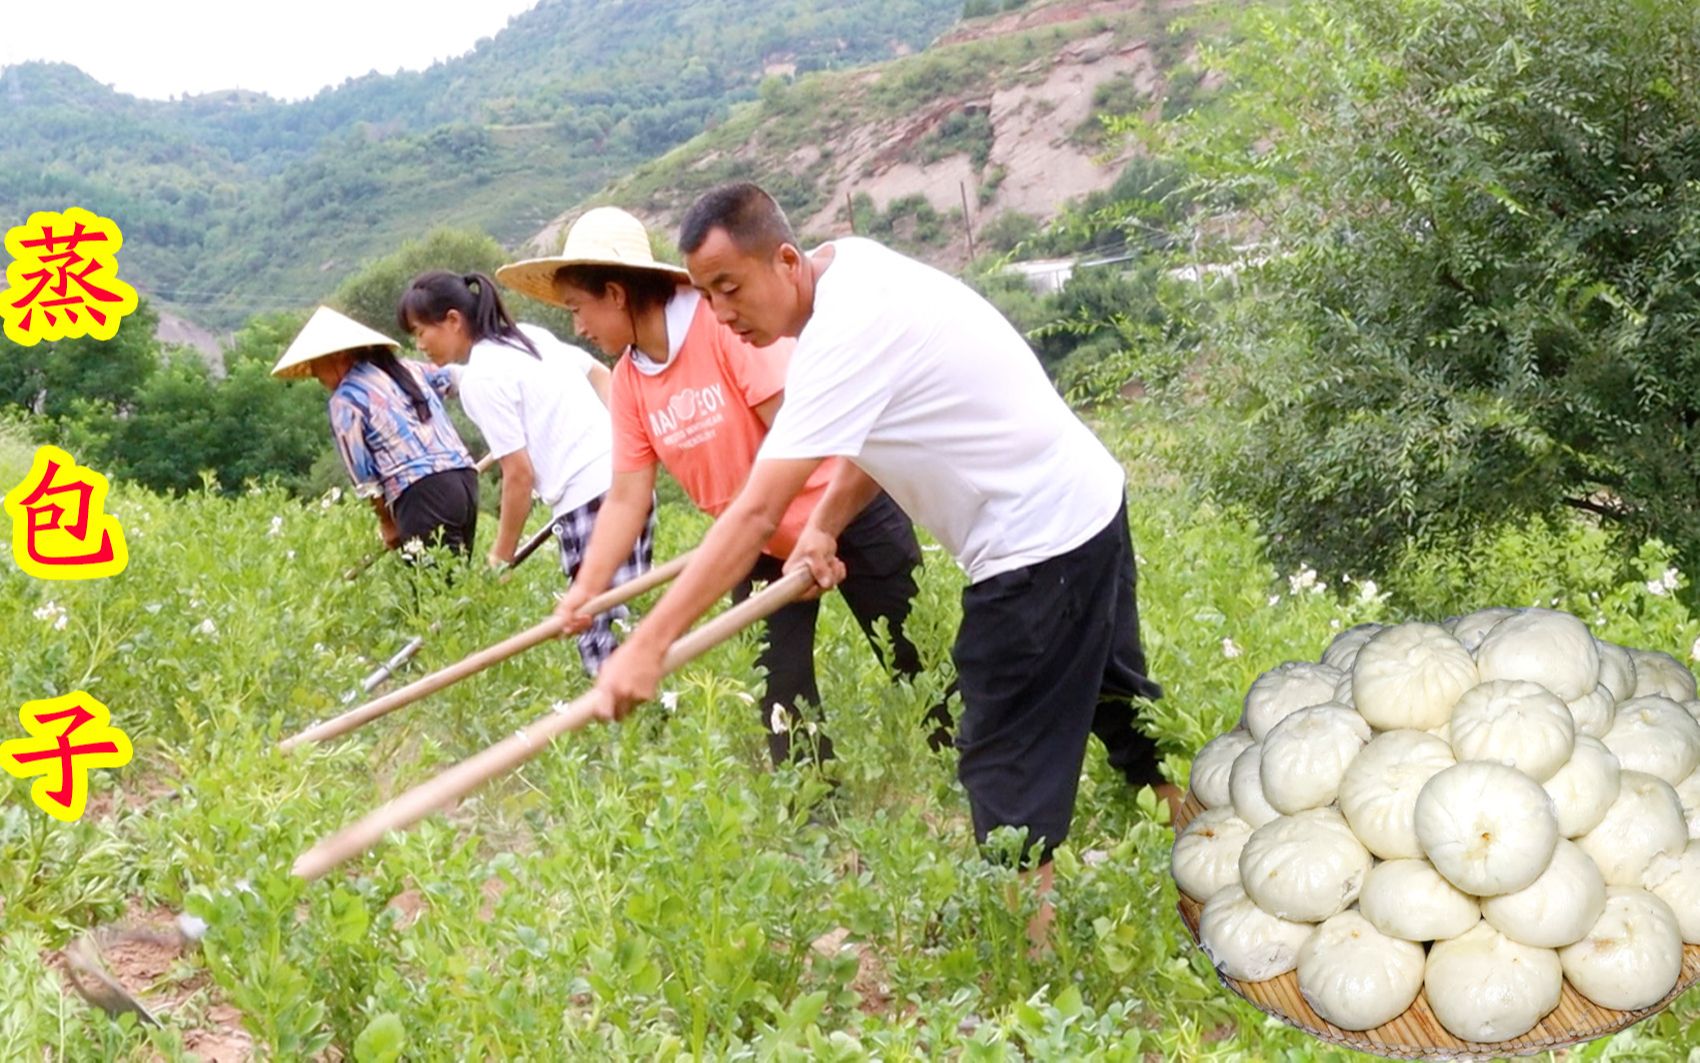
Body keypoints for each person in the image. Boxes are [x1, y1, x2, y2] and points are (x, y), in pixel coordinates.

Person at [590, 183, 1166, 942]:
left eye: (730, 287)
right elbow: (879, 430)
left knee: (1001, 757)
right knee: (1121, 703)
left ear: (786, 260)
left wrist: (647, 644)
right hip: (1085, 499)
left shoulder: (840, 335)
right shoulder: (853, 269)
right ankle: (1196, 832)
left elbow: (756, 511)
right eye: (705, 294)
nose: (722, 314)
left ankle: (1032, 964)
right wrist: (824, 525)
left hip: (1037, 543)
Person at [495, 206, 939, 766]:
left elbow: (808, 427)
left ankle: (967, 787)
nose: (578, 327)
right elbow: (628, 496)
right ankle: (815, 819)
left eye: (578, 309)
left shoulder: (723, 328)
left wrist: (819, 526)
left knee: (916, 661)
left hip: (844, 512)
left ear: (615, 293)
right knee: (779, 694)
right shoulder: (631, 380)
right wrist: (588, 589)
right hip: (755, 543)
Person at [396, 272, 649, 675]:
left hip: (590, 501)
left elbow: (518, 476)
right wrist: (633, 441)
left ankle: (634, 732)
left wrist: (501, 554)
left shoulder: (483, 377)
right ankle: (651, 729)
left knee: (600, 640)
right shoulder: (524, 336)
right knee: (628, 622)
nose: (420, 343)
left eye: (421, 330)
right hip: (626, 482)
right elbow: (601, 374)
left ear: (453, 320)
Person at [271, 306, 478, 557]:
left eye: (317, 367)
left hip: (421, 494)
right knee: (458, 581)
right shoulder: (407, 369)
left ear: (338, 355)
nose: (317, 377)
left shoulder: (345, 401)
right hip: (465, 482)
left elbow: (364, 477)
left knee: (434, 590)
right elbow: (457, 377)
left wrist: (387, 523)